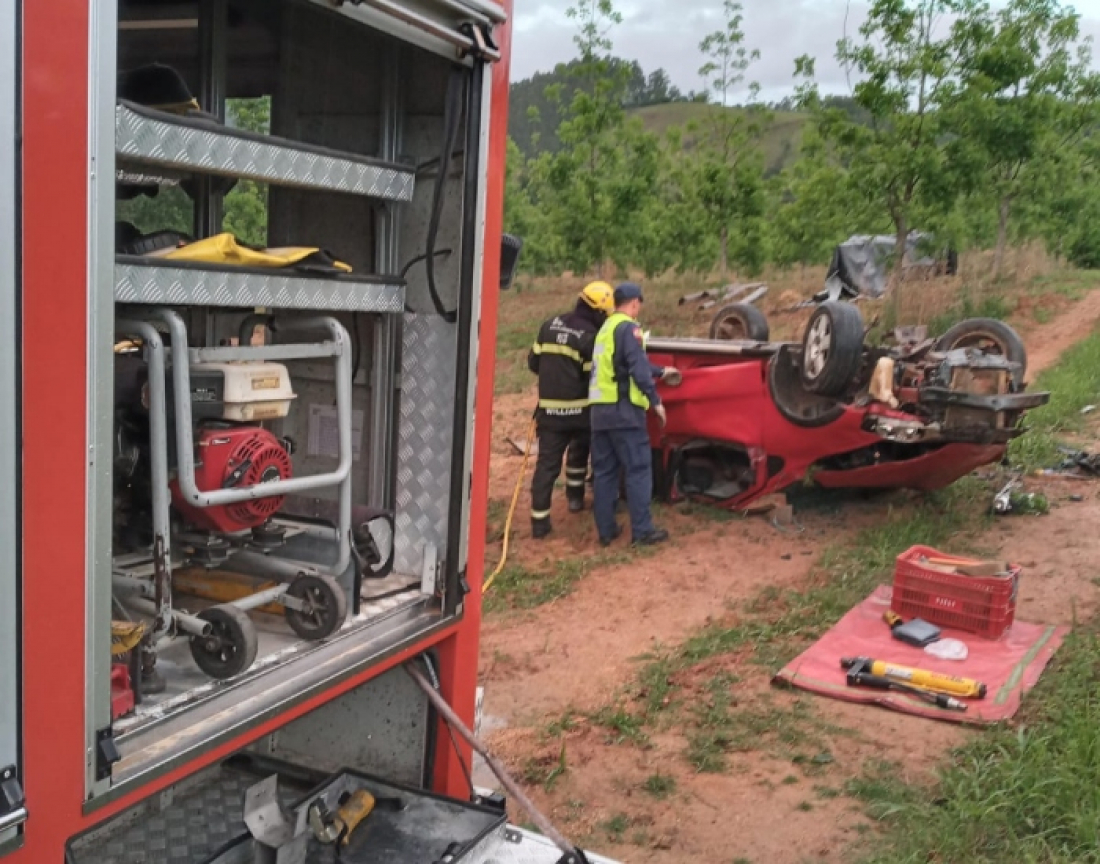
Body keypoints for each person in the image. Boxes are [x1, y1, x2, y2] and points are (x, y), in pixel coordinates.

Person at [589, 282, 677, 547]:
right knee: (638, 469)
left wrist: (661, 371)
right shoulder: (629, 328)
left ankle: (606, 531)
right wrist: (655, 400)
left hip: (599, 412)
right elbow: (636, 366)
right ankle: (642, 531)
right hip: (624, 412)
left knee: (605, 473)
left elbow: (620, 364)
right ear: (635, 303)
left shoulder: (605, 329)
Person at [526, 280, 615, 539]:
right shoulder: (590, 337)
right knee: (579, 454)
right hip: (580, 412)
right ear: (598, 312)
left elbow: (534, 362)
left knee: (546, 466)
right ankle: (575, 498)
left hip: (549, 413)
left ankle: (539, 522)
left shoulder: (549, 325)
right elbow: (592, 378)